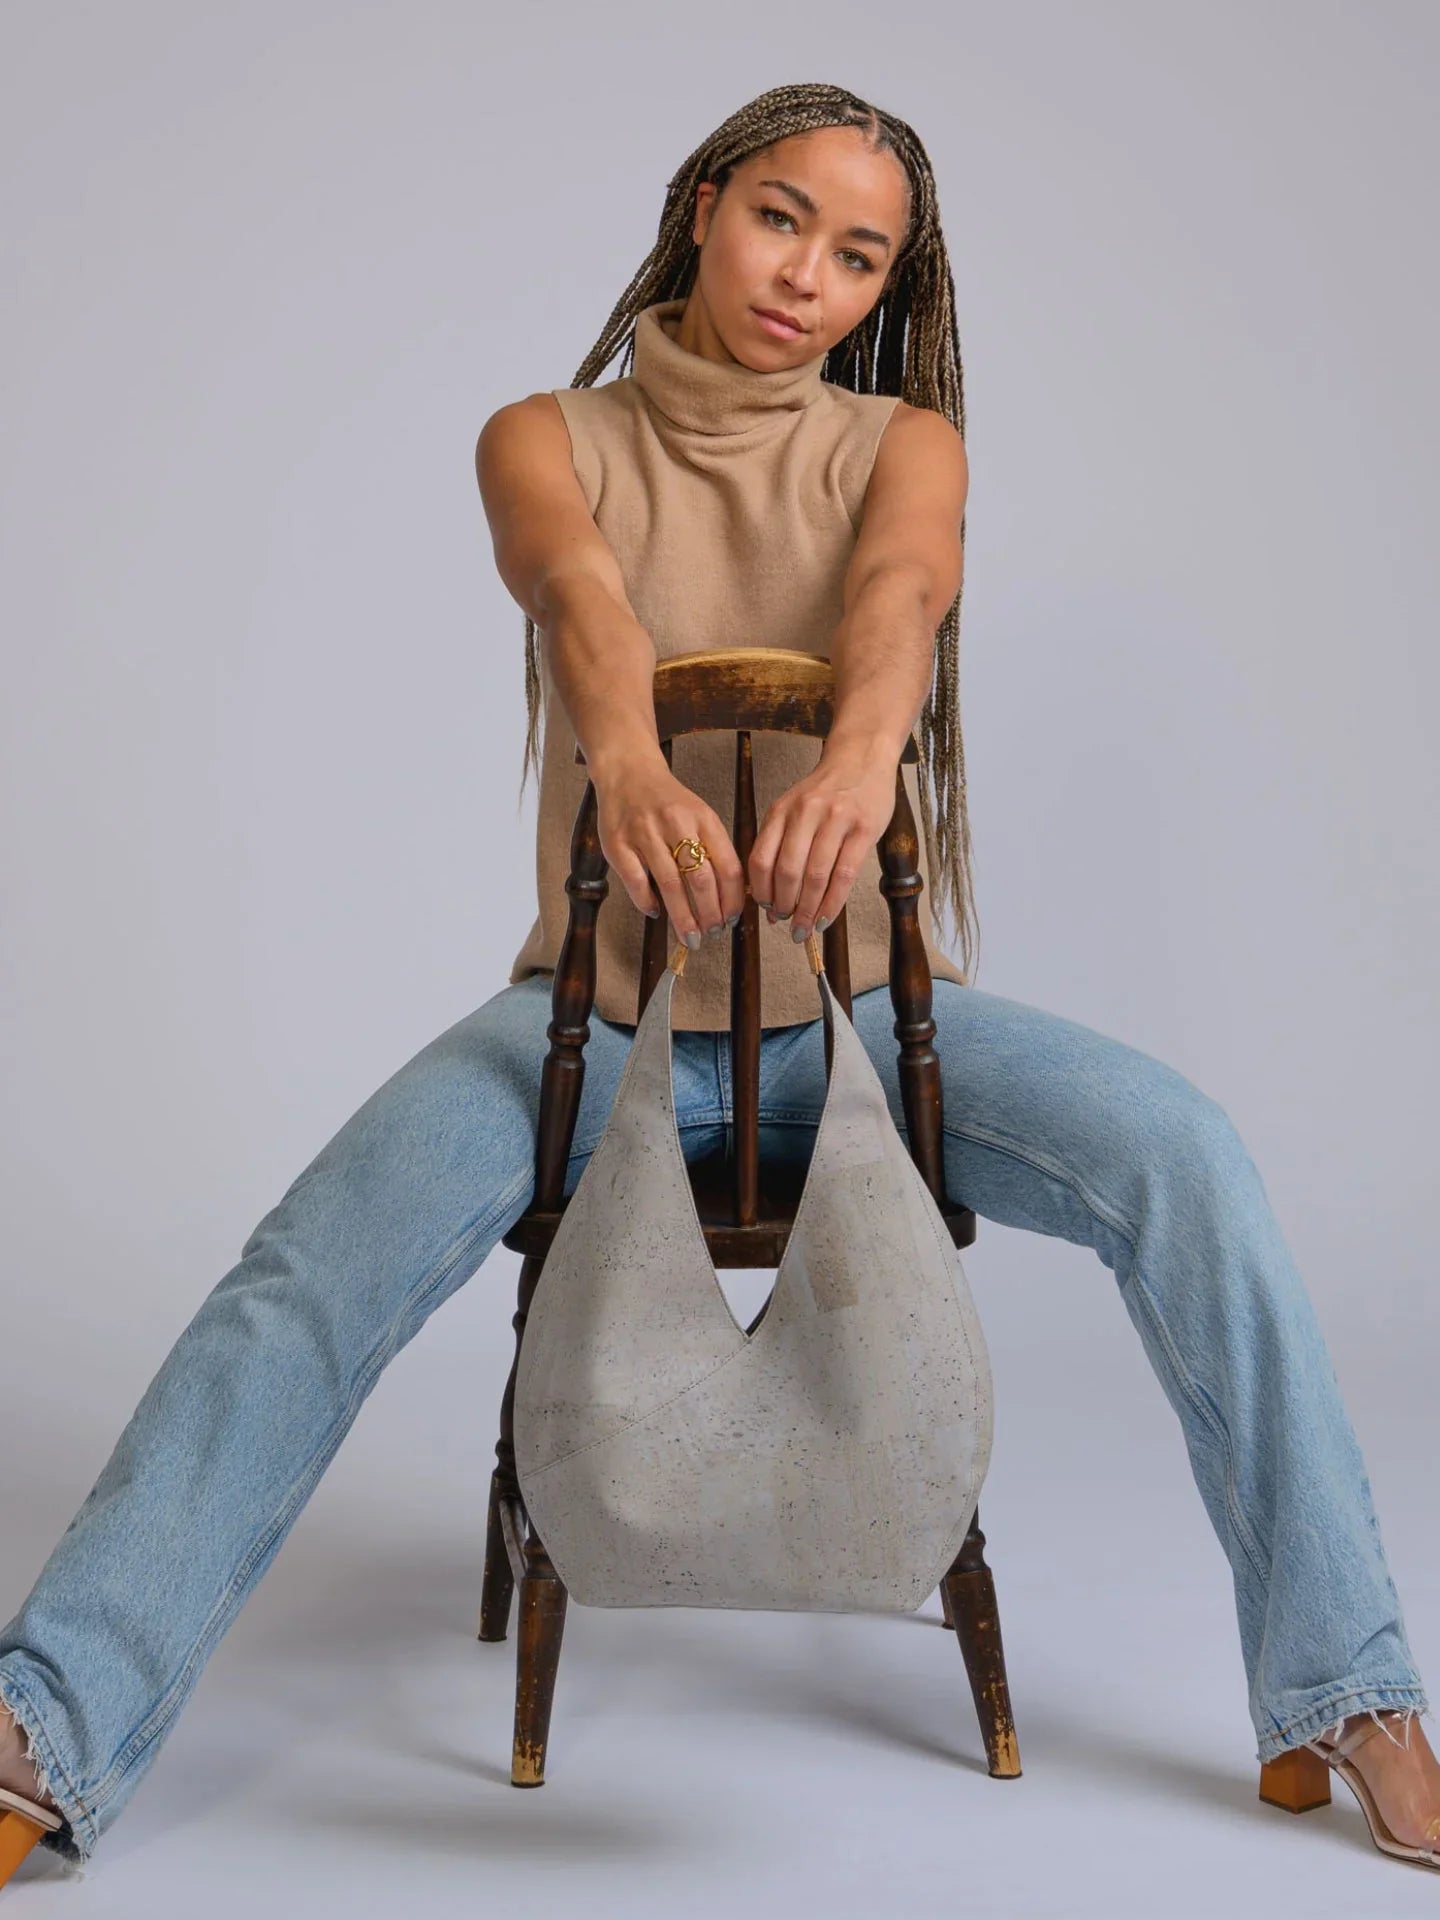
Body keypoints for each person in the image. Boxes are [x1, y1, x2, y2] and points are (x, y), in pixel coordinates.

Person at [2, 80, 1436, 1885]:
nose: (809, 279)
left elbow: (906, 589)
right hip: (595, 1033)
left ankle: (1347, 1694)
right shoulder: (544, 432)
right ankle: (46, 1723)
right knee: (305, 1275)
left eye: (861, 255)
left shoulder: (901, 441)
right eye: (781, 219)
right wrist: (629, 750)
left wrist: (863, 754)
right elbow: (578, 597)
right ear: (701, 205)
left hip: (857, 1035)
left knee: (1192, 1159)